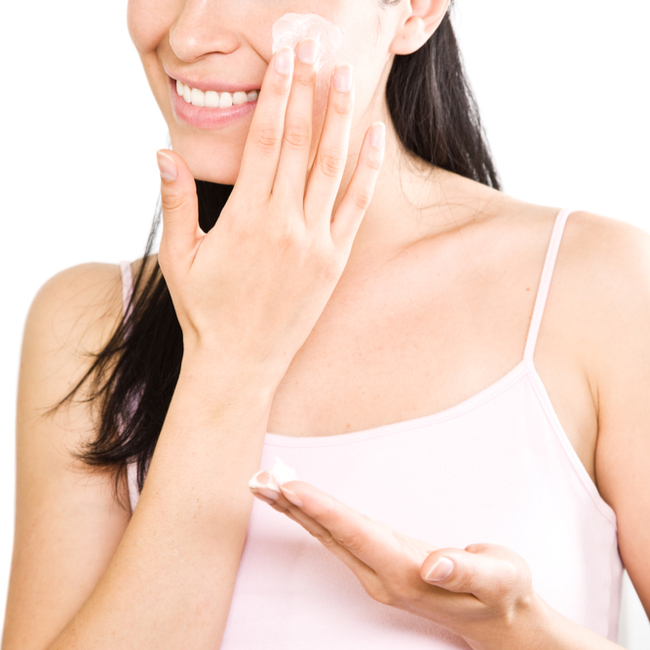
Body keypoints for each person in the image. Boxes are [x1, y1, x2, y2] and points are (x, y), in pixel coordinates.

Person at [2, 0, 649, 648]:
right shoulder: (90, 327)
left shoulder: (596, 290)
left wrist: (515, 627)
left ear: (416, 10)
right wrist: (230, 360)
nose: (189, 34)